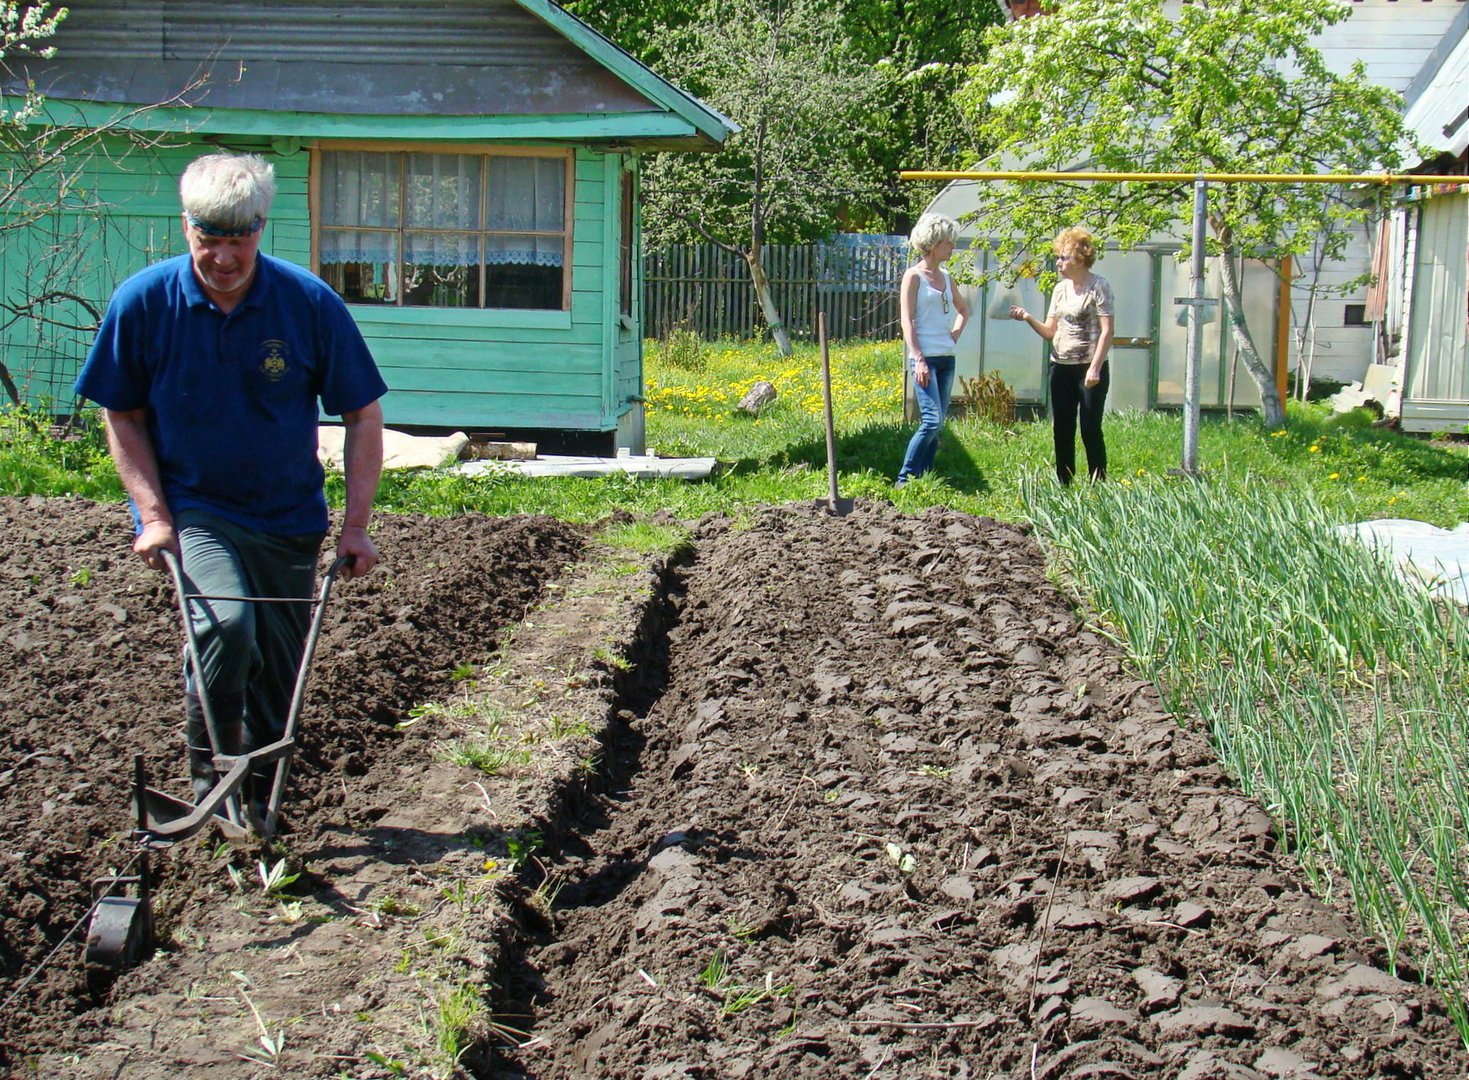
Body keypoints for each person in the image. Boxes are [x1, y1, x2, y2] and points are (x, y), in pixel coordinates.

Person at [74, 151, 388, 819]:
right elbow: (121, 412)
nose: (223, 255)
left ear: (261, 228)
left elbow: (361, 413)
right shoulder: (144, 302)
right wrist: (153, 515)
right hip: (197, 511)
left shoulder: (307, 303)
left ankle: (262, 810)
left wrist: (356, 525)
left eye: (238, 236)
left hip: (288, 517)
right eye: (208, 236)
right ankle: (212, 799)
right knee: (224, 628)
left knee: (278, 682)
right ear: (186, 227)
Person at [1010, 227, 1115, 483]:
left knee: (1090, 427)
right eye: (1058, 257)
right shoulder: (1059, 290)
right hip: (1060, 367)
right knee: (1062, 428)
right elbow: (1049, 332)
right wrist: (1028, 318)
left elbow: (1108, 331)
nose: (1058, 262)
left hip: (1089, 368)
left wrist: (1095, 368)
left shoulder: (1098, 287)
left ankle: (1098, 482)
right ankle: (1064, 483)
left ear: (1080, 258)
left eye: (1063, 257)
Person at [895, 213, 969, 487]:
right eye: (949, 243)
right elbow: (907, 320)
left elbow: (964, 310)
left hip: (946, 357)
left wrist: (955, 335)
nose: (952, 248)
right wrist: (918, 358)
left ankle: (923, 479)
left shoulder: (947, 278)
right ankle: (904, 480)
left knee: (938, 425)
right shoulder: (913, 277)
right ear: (933, 243)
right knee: (931, 420)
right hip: (924, 358)